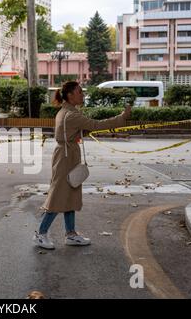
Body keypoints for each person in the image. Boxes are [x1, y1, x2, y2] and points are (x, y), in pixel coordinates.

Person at [33, 81, 132, 250]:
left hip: (66, 155)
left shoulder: (65, 112)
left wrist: (83, 131)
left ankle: (70, 234)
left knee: (70, 192)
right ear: (70, 95)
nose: (82, 95)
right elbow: (96, 125)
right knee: (59, 195)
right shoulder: (72, 115)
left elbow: (79, 130)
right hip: (65, 157)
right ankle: (41, 234)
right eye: (79, 92)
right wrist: (122, 118)